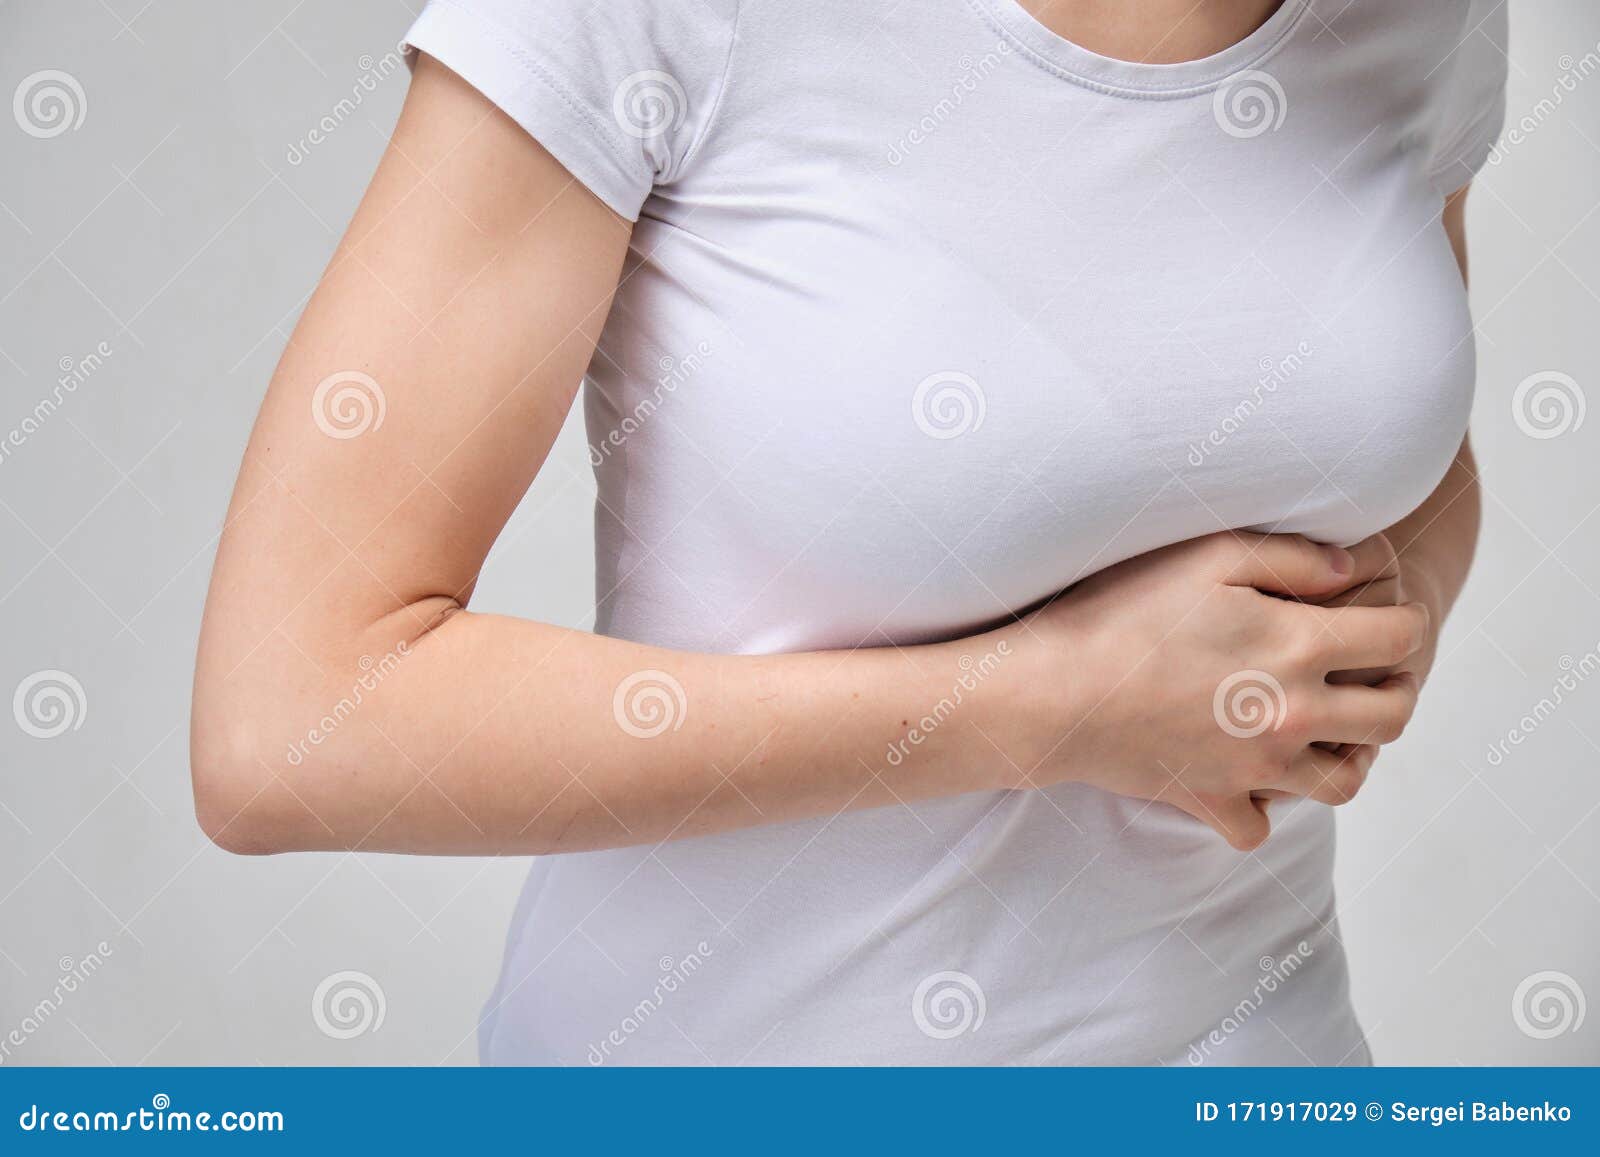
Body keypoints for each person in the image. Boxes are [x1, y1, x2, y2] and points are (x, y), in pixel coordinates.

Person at [191, 0, 1506, 1064]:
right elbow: (292, 720)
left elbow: (1404, 437)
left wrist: (1374, 638)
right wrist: (1058, 703)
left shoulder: (1422, 22)